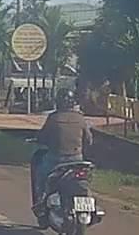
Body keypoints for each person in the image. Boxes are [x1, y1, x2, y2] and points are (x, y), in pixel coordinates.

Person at [31, 88, 93, 224]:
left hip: (56, 159)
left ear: (58, 102)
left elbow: (43, 136)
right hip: (77, 160)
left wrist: (40, 140)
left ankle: (40, 204)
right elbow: (89, 140)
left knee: (40, 176)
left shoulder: (54, 118)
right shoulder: (80, 118)